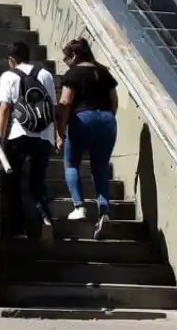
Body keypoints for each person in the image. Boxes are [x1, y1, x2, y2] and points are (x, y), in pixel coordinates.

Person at [56, 37, 119, 239]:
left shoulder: (73, 73)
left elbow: (65, 102)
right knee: (100, 167)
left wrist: (60, 130)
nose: (66, 62)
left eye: (67, 57)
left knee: (72, 163)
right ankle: (104, 210)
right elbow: (113, 101)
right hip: (107, 120)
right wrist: (106, 119)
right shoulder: (104, 72)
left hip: (82, 119)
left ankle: (79, 207)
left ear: (74, 55)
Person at [0, 41, 58, 241]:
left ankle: (19, 229)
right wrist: (56, 135)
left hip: (19, 135)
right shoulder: (46, 74)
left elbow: (5, 108)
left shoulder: (9, 75)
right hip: (44, 136)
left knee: (13, 181)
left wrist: (1, 136)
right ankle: (45, 219)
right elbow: (52, 108)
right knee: (37, 181)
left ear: (11, 59)